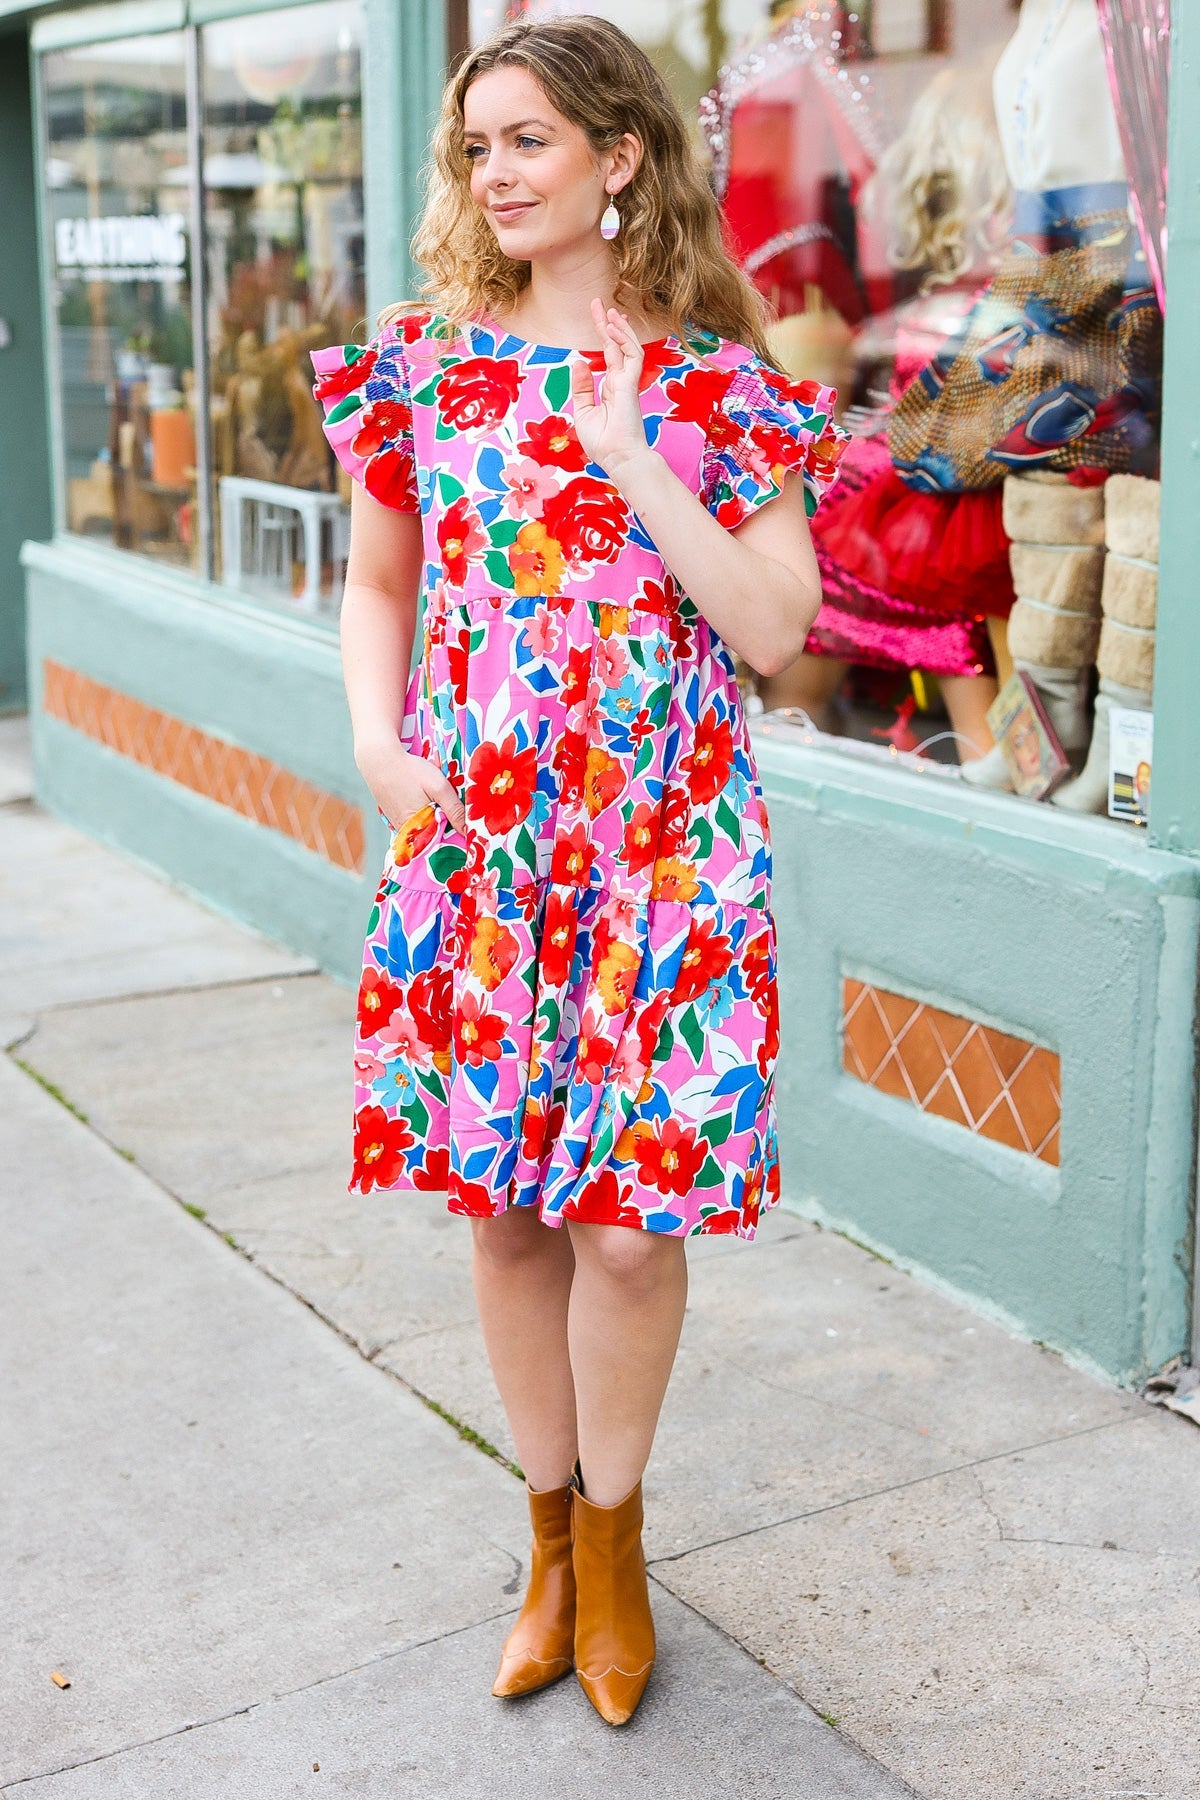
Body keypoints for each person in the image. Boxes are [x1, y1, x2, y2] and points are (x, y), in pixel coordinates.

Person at [311, 14, 845, 1728]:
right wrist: (384, 750)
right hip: (481, 843)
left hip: (666, 850)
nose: (498, 173)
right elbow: (380, 589)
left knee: (630, 1236)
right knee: (514, 1212)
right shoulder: (423, 369)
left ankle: (614, 1550)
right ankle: (545, 1551)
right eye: (480, 147)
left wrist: (629, 446)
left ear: (621, 158)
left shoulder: (721, 388)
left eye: (530, 139)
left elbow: (774, 631)